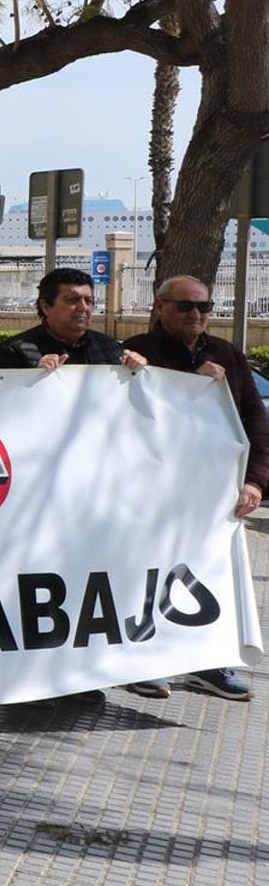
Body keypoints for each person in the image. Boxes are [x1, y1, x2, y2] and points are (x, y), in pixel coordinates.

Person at [121, 276, 264, 702]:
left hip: (213, 497)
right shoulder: (134, 353)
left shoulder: (227, 355)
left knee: (211, 575)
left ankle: (208, 662)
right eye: (185, 306)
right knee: (147, 577)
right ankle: (145, 662)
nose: (196, 315)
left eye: (204, 306)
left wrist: (255, 481)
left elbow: (255, 423)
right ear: (159, 306)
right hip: (149, 496)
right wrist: (187, 380)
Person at [0, 269, 147, 372]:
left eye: (89, 301)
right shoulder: (15, 352)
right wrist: (32, 377)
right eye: (73, 300)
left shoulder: (109, 348)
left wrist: (138, 370)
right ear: (46, 307)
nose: (83, 307)